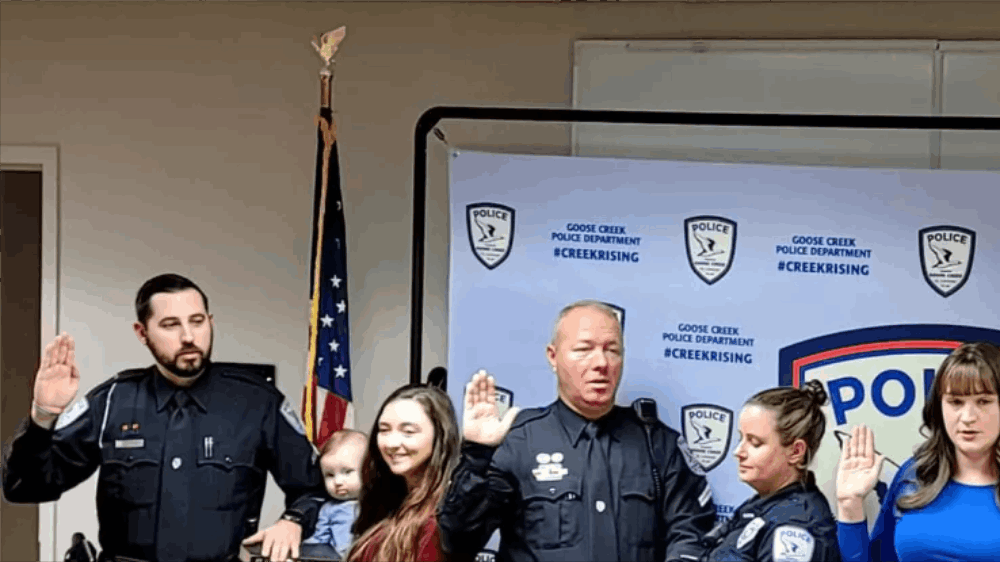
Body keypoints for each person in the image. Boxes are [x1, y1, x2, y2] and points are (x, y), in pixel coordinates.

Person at [1, 273, 328, 562]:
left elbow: (315, 488)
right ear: (142, 332)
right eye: (171, 325)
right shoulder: (113, 401)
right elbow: (25, 487)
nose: (188, 336)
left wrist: (294, 522)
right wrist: (43, 414)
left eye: (197, 321)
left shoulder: (258, 402)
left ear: (210, 321)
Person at [439, 300, 716, 562]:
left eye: (612, 350)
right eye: (584, 349)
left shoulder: (657, 443)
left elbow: (692, 530)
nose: (601, 363)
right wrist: (477, 455)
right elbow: (458, 541)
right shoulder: (519, 440)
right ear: (553, 356)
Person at [836, 341, 1000, 561]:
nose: (968, 417)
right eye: (955, 402)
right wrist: (849, 505)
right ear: (939, 407)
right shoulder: (915, 474)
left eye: (983, 401)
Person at [700, 380, 841, 561]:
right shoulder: (765, 502)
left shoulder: (796, 525)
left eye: (755, 443)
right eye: (741, 439)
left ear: (796, 452)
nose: (738, 452)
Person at [344, 384, 466, 562]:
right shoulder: (388, 499)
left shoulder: (440, 517)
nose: (391, 443)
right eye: (384, 430)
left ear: (439, 436)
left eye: (408, 432)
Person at [301, 429, 368, 559]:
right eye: (330, 475)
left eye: (347, 472)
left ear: (368, 470)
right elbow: (319, 540)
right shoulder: (328, 509)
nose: (337, 482)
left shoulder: (378, 503)